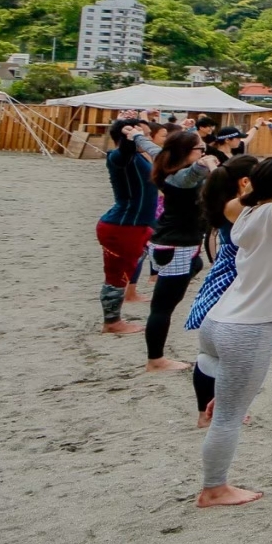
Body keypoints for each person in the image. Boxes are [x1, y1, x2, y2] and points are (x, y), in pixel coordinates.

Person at [197, 156, 272, 508]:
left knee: (228, 395)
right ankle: (214, 489)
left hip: (219, 321)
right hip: (248, 328)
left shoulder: (241, 212)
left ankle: (225, 390)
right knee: (229, 418)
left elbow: (269, 201)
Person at [183, 155, 261, 422]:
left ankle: (205, 413)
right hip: (232, 282)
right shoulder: (239, 207)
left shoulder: (225, 199)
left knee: (211, 355)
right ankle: (220, 411)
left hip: (221, 280)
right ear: (245, 182)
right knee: (228, 355)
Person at [144, 130, 214, 370]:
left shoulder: (166, 161)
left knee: (196, 266)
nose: (204, 153)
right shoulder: (181, 177)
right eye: (200, 149)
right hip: (175, 245)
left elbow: (151, 147)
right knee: (162, 308)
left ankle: (156, 358)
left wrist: (135, 135)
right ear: (185, 152)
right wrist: (206, 163)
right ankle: (156, 360)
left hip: (173, 243)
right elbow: (195, 173)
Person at [97, 117, 158, 336]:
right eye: (144, 134)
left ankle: (116, 316)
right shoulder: (118, 157)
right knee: (116, 276)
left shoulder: (136, 157)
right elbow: (125, 150)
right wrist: (130, 135)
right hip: (123, 226)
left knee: (126, 270)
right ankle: (112, 322)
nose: (147, 138)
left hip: (136, 225)